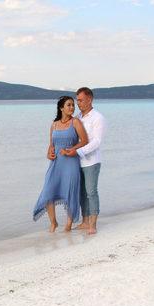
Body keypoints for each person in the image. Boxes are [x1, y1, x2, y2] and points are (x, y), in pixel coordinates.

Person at [33, 96, 88, 232]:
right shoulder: (54, 124)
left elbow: (84, 140)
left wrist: (72, 149)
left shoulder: (75, 122)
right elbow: (51, 145)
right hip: (56, 163)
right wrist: (48, 153)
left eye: (73, 105)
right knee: (48, 191)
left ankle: (68, 225)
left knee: (70, 192)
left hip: (71, 162)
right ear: (61, 108)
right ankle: (54, 223)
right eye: (69, 105)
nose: (72, 107)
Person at [67, 87, 106, 235]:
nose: (78, 103)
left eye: (81, 100)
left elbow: (97, 141)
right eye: (77, 100)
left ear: (90, 99)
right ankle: (84, 221)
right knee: (81, 193)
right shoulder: (78, 118)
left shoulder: (98, 118)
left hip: (92, 161)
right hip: (77, 161)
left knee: (91, 192)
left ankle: (93, 224)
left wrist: (79, 151)